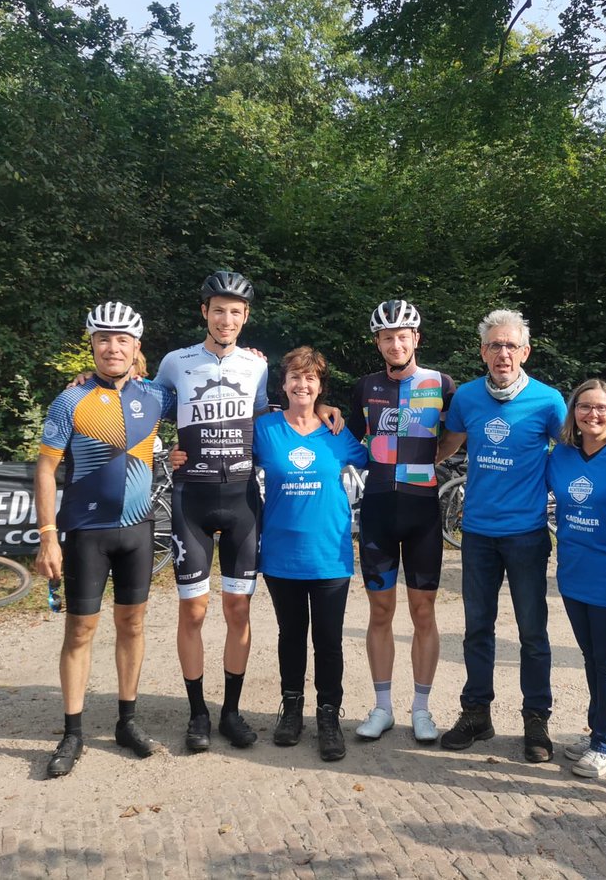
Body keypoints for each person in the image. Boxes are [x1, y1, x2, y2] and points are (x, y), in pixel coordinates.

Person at [152, 271, 342, 752]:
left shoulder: (257, 365)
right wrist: (163, 451)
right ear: (204, 312)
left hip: (241, 502)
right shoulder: (175, 362)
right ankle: (198, 713)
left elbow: (268, 420)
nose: (226, 319)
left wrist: (322, 410)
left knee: (238, 608)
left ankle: (231, 712)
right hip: (192, 500)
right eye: (218, 310)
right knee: (193, 610)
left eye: (235, 312)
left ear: (245, 317)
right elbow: (144, 408)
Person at [35, 302, 175, 778]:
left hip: (138, 530)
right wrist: (48, 536)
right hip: (86, 533)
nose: (112, 348)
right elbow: (46, 469)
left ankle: (126, 722)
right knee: (80, 630)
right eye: (103, 339)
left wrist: (317, 404)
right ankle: (73, 732)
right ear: (92, 344)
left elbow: (213, 395)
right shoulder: (69, 400)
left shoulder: (156, 396)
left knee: (132, 625)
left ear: (136, 347)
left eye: (122, 340)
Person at [435, 309, 567, 762]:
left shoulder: (549, 401)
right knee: (477, 628)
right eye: (495, 345)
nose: (503, 353)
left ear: (525, 352)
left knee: (532, 632)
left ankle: (536, 720)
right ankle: (476, 714)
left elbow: (574, 451)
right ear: (483, 352)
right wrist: (404, 466)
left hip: (526, 534)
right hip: (477, 534)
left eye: (511, 345)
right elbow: (447, 444)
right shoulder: (467, 397)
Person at [347, 300, 456, 745]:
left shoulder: (441, 384)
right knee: (380, 611)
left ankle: (422, 709)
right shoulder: (365, 386)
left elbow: (457, 431)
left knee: (423, 611)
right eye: (387, 337)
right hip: (377, 508)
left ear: (416, 339)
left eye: (403, 336)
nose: (396, 344)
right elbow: (346, 435)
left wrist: (433, 458)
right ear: (378, 343)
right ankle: (382, 707)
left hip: (422, 510)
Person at [254, 347, 368, 761]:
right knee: (290, 636)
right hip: (281, 553)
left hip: (329, 555)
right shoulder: (264, 429)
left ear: (320, 387)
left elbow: (377, 459)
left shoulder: (336, 432)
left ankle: (328, 715)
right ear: (283, 384)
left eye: (311, 378)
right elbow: (225, 457)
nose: (302, 385)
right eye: (295, 377)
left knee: (329, 640)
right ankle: (291, 709)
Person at [546, 379, 606, 779]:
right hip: (573, 571)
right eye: (585, 406)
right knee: (591, 656)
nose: (593, 414)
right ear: (574, 412)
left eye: (602, 407)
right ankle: (596, 731)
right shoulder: (562, 455)